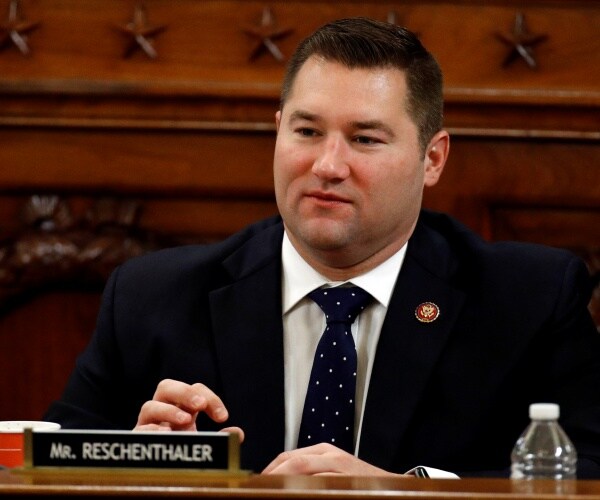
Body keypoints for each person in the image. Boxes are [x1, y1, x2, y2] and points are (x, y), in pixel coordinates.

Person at [45, 17, 600, 478]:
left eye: (365, 138)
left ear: (432, 159)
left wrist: (408, 493)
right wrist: (137, 463)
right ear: (278, 131)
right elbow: (49, 468)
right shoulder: (151, 296)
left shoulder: (529, 300)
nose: (328, 166)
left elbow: (589, 469)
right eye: (307, 132)